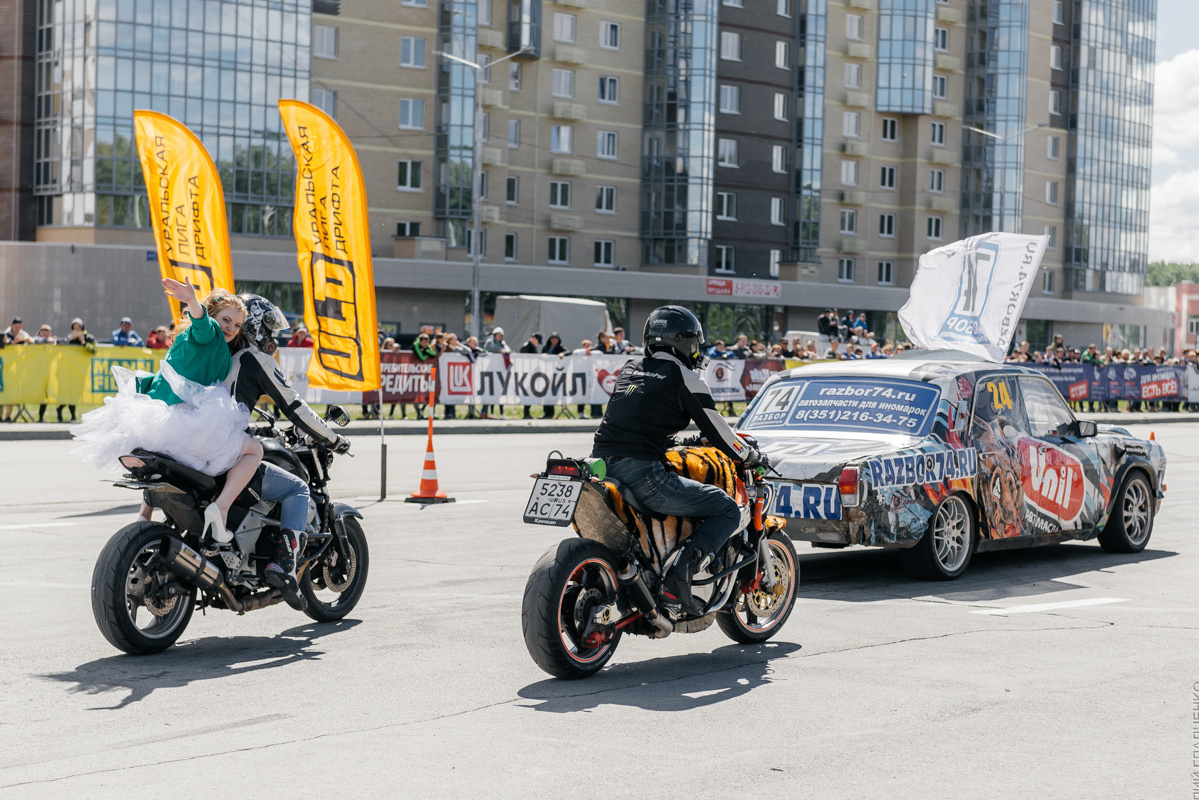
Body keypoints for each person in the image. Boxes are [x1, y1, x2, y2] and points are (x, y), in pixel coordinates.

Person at [592, 305, 768, 617]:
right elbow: (718, 432)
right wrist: (749, 455)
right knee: (726, 508)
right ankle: (677, 581)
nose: (697, 350)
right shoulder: (686, 376)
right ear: (685, 342)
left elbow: (637, 420)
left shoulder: (631, 368)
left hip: (601, 464)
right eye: (695, 344)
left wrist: (675, 441)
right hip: (641, 472)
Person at [73, 280, 263, 541]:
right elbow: (203, 324)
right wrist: (193, 302)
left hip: (153, 417)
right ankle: (221, 508)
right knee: (255, 450)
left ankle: (143, 516)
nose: (231, 328)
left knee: (158, 459)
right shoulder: (210, 336)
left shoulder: (185, 339)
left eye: (238, 325)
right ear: (213, 314)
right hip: (186, 421)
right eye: (226, 320)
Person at [226, 294, 351, 609]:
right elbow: (295, 406)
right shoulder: (255, 359)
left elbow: (225, 406)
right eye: (269, 328)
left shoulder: (220, 355)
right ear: (255, 326)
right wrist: (332, 437)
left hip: (198, 443)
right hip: (224, 451)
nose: (274, 336)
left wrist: (252, 429)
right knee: (297, 488)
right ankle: (282, 565)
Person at [483, 327, 511, 418]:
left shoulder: (503, 343)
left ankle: (501, 413)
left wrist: (504, 351)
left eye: (500, 336)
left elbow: (508, 350)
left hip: (499, 371)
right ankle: (489, 412)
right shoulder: (490, 341)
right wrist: (499, 350)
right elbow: (488, 347)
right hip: (490, 370)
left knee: (499, 391)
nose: (498, 337)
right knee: (490, 391)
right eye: (497, 335)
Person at [540, 333, 567, 420]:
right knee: (545, 392)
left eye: (556, 338)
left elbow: (568, 352)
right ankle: (546, 413)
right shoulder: (546, 347)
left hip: (555, 373)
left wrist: (562, 354)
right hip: (546, 372)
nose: (554, 340)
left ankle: (551, 413)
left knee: (552, 392)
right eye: (553, 338)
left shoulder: (560, 347)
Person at [519, 333, 543, 419]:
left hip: (531, 374)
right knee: (527, 394)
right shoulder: (527, 346)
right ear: (534, 338)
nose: (537, 343)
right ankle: (526, 413)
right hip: (527, 374)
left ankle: (527, 412)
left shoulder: (532, 347)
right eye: (537, 341)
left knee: (530, 394)